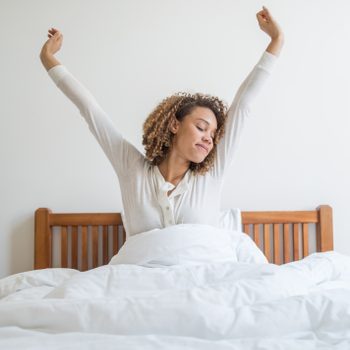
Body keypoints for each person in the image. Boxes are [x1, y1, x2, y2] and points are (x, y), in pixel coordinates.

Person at [40, 6, 284, 238]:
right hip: (143, 278)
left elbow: (243, 105)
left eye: (213, 133)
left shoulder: (212, 174)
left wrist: (277, 41)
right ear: (175, 125)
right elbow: (90, 110)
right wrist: (48, 59)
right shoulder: (132, 169)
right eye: (201, 127)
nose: (209, 138)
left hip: (203, 278)